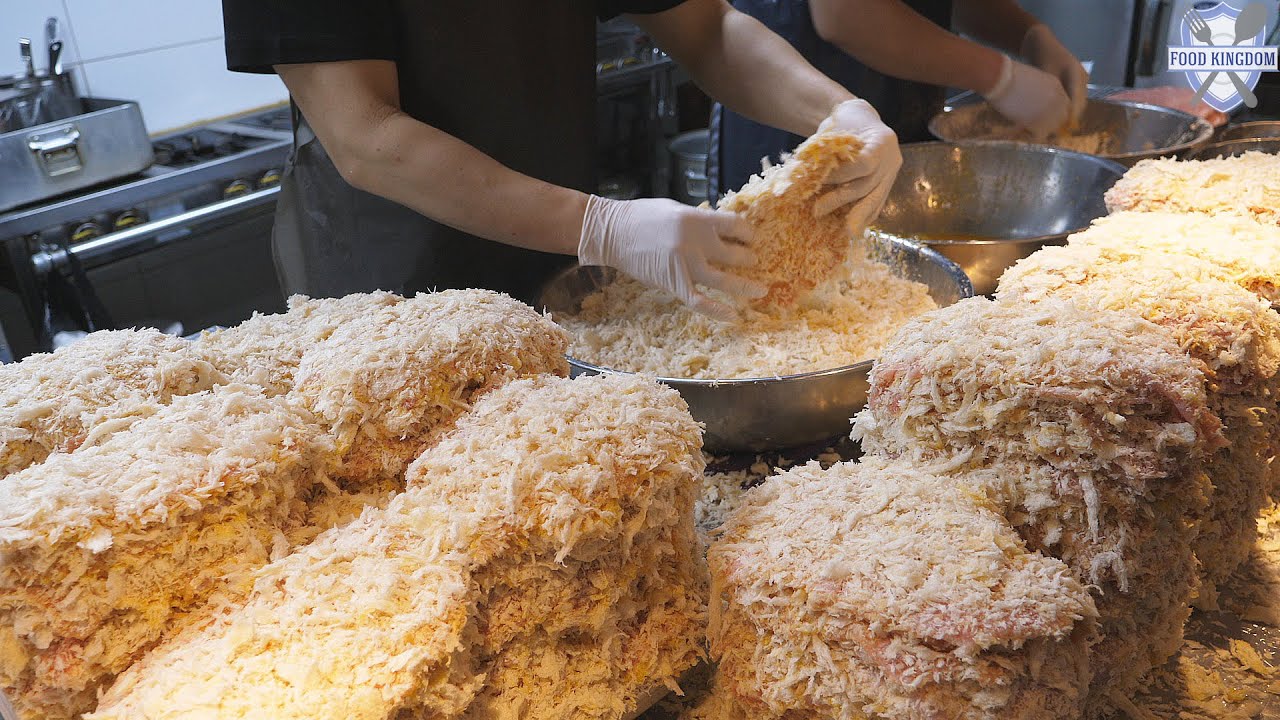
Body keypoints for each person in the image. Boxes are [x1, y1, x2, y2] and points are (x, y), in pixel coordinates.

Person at [221, 0, 902, 322]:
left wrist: (840, 111)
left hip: (558, 268)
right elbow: (365, 136)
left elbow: (710, 31)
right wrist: (603, 225)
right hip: (389, 289)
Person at [710, 0, 1088, 197]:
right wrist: (999, 76)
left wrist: (1029, 35)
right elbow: (845, 14)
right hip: (790, 95)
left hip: (905, 99)